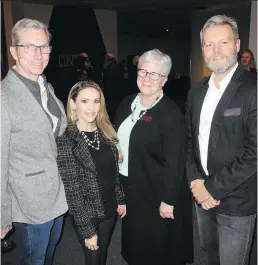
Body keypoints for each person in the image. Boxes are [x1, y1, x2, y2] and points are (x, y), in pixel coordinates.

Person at [186, 15, 257, 265]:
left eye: (223, 43)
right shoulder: (197, 90)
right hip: (201, 197)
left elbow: (255, 154)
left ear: (237, 45)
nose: (216, 51)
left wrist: (211, 188)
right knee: (211, 255)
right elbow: (189, 140)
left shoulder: (253, 88)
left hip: (237, 200)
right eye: (209, 44)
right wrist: (196, 181)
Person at [115, 49, 193, 265]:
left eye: (154, 74)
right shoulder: (126, 103)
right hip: (130, 187)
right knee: (135, 242)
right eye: (143, 71)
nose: (147, 78)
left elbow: (175, 162)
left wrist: (168, 201)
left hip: (155, 191)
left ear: (164, 80)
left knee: (155, 246)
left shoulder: (170, 113)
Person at [1, 18, 68, 264]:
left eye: (44, 47)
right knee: (33, 260)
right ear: (14, 51)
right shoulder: (3, 97)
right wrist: (1, 215)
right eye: (30, 47)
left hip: (57, 193)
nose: (39, 54)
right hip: (28, 201)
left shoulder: (44, 86)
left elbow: (58, 131)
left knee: (48, 255)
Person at [56, 80, 126, 265]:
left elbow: (113, 173)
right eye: (85, 101)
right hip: (88, 214)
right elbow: (72, 191)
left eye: (96, 101)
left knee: (102, 258)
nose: (91, 107)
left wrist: (120, 199)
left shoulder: (105, 132)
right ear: (73, 103)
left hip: (110, 210)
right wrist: (87, 230)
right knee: (93, 260)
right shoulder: (66, 139)